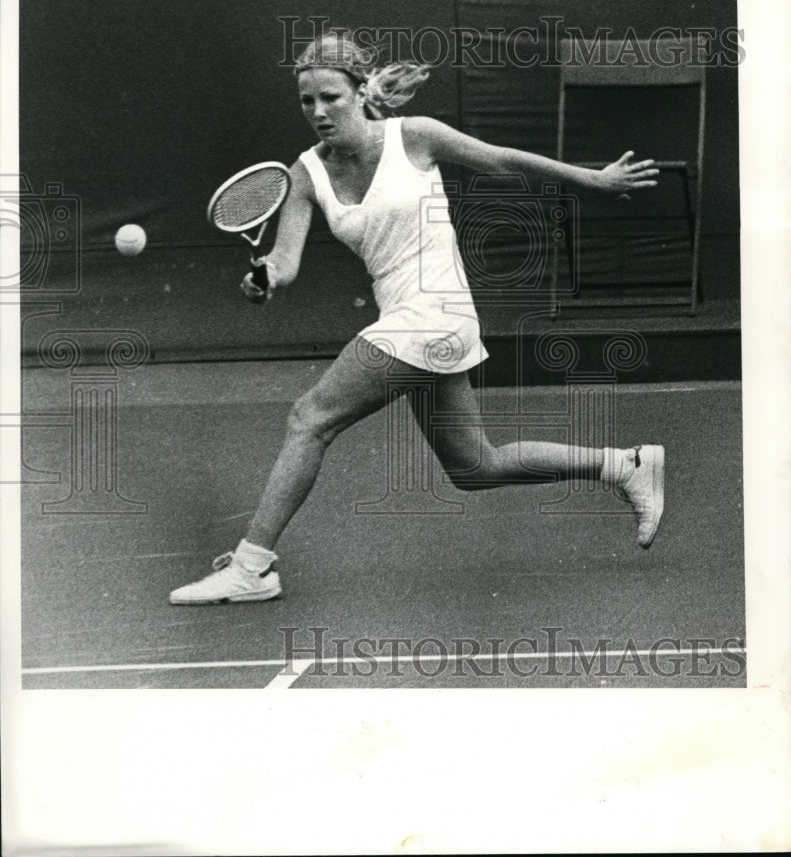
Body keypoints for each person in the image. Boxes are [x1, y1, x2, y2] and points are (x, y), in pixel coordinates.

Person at [170, 30, 664, 605]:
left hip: (436, 312)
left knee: (310, 418)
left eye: (330, 96)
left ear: (359, 92)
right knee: (475, 466)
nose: (318, 111)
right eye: (307, 101)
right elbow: (284, 263)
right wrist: (264, 280)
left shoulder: (416, 138)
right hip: (407, 319)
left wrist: (595, 179)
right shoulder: (304, 172)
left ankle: (252, 567)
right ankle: (625, 465)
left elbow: (502, 160)